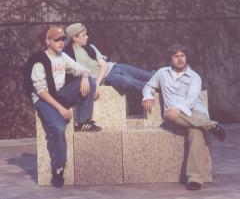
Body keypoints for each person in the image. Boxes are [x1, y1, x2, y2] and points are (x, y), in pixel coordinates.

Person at [24, 26, 101, 187]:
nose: (60, 43)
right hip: (44, 99)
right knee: (59, 128)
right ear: (48, 41)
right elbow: (40, 90)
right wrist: (60, 108)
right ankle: (58, 167)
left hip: (59, 94)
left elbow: (81, 69)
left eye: (62, 40)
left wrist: (85, 77)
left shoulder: (62, 56)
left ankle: (82, 121)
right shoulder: (40, 60)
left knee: (90, 81)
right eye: (56, 40)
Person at [142, 43, 226, 191]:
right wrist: (147, 96)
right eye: (176, 56)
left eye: (182, 56)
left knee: (196, 132)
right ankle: (211, 125)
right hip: (174, 117)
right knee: (169, 115)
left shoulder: (194, 77)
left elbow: (191, 100)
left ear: (186, 57)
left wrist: (177, 108)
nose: (180, 59)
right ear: (170, 59)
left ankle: (194, 179)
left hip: (194, 113)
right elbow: (148, 86)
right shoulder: (162, 73)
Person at [64, 23, 155, 101]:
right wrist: (96, 85)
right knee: (129, 82)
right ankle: (150, 89)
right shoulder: (69, 57)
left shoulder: (90, 47)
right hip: (108, 77)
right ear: (75, 38)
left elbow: (104, 66)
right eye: (83, 35)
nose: (87, 37)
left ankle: (167, 75)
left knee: (148, 75)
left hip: (115, 67)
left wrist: (96, 83)